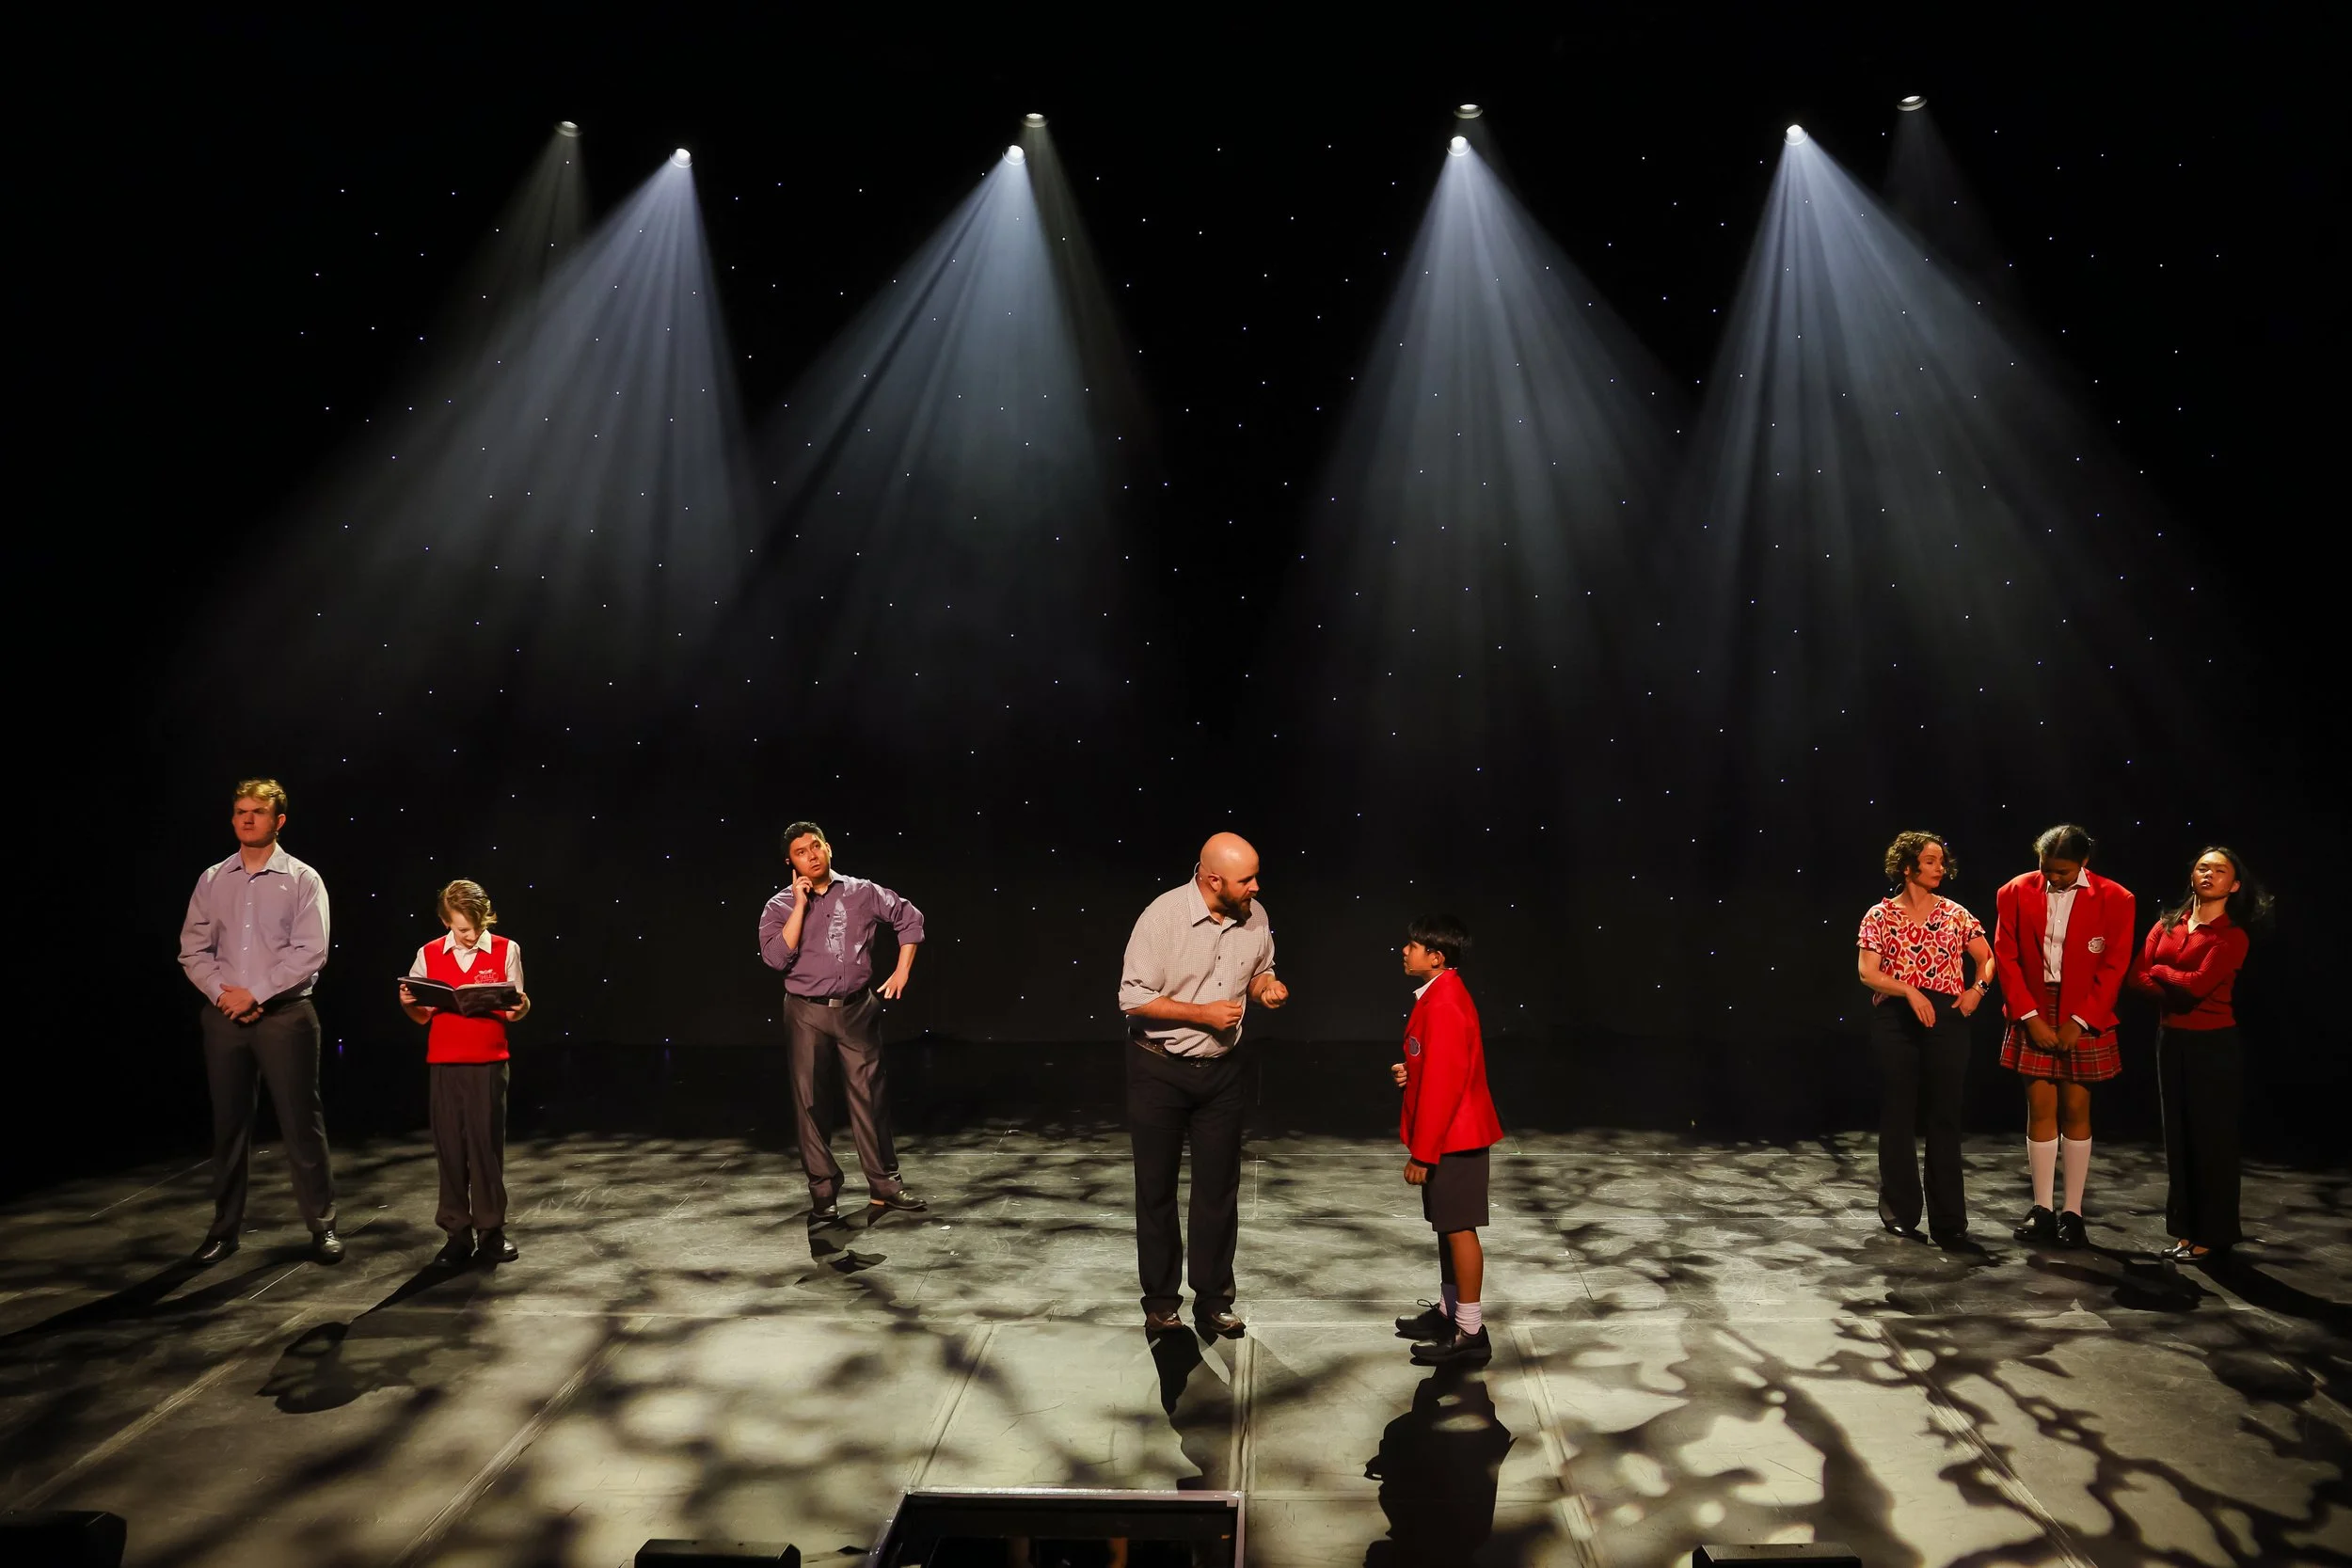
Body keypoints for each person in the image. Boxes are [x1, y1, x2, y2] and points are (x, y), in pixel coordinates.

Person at [1118, 832, 1290, 1338]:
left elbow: (1260, 970)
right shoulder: (1163, 917)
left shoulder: (1253, 916)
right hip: (1159, 1070)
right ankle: (1162, 1301)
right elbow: (1132, 997)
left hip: (1222, 1072)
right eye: (1246, 879)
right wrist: (1203, 1014)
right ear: (1213, 879)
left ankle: (1213, 1299)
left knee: (1218, 1192)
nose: (1256, 887)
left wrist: (1267, 989)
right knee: (1157, 1190)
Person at [177, 779, 342, 1265]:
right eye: (240, 811)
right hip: (226, 1017)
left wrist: (258, 994)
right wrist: (222, 994)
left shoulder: (302, 879)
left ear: (279, 820)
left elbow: (312, 950)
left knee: (301, 1124)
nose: (247, 819)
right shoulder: (212, 879)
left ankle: (322, 1225)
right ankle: (224, 1229)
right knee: (229, 1126)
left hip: (285, 1015)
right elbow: (192, 947)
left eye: (258, 812)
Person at [758, 821, 928, 1224]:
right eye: (802, 852)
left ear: (828, 848)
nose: (812, 855)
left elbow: (909, 918)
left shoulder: (862, 891)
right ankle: (823, 1191)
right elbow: (776, 958)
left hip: (856, 1008)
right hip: (806, 1012)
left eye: (816, 846)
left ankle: (884, 1184)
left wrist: (903, 970)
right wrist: (800, 905)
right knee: (812, 1103)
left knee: (869, 1097)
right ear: (791, 862)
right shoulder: (778, 906)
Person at [1994, 824, 2135, 1249]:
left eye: (2063, 871)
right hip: (2034, 1006)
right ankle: (2041, 1208)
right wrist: (2030, 1016)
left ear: (2084, 862)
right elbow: (2007, 955)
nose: (2052, 878)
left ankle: (2072, 1212)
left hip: (2083, 1009)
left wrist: (2082, 1020)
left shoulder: (2116, 898)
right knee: (2040, 1106)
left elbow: (2114, 965)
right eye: (2047, 870)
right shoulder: (2015, 891)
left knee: (2076, 1106)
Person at [1855, 832, 1994, 1247]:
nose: (1940, 868)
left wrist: (1976, 992)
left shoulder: (1955, 914)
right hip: (1896, 1019)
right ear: (1907, 866)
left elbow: (1987, 959)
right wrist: (1910, 990)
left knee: (1945, 1115)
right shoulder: (1879, 916)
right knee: (1898, 1113)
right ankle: (1900, 1209)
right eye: (1931, 861)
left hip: (1947, 1017)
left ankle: (1949, 1218)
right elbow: (1868, 973)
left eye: (1941, 862)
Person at [2131, 847, 2268, 1262]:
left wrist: (2162, 972)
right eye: (2202, 867)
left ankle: (2215, 1233)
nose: (2209, 874)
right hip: (2170, 1039)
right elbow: (2136, 978)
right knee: (2178, 1138)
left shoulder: (2232, 935)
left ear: (2235, 884)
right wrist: (2168, 981)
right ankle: (2186, 1231)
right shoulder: (2167, 923)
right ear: (2191, 875)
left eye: (2220, 870)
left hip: (2214, 1044)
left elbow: (2195, 987)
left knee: (2212, 1141)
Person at [1388, 914, 1503, 1366]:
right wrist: (1409, 1072)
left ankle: (1470, 1331)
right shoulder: (1435, 995)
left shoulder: (1446, 1002)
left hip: (1456, 1136)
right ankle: (1451, 1312)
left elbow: (1446, 1086)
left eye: (1414, 945)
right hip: (1449, 1134)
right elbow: (1434, 1066)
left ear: (1436, 957)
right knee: (1446, 1227)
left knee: (1459, 1229)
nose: (1405, 950)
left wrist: (1423, 1152)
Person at [399, 879, 530, 1267]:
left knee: (485, 1148)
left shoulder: (506, 949)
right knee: (450, 1149)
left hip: (487, 1063)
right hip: (444, 1062)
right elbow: (421, 1015)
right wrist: (407, 1002)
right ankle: (457, 1233)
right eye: (461, 928)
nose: (470, 936)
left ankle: (491, 1231)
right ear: (446, 922)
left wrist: (521, 1006)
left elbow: (512, 1011)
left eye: (475, 927)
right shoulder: (429, 953)